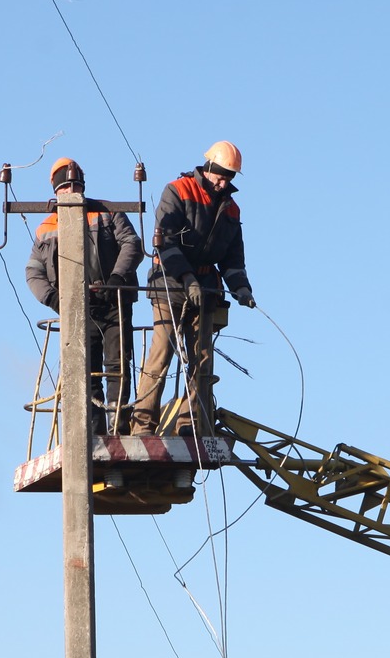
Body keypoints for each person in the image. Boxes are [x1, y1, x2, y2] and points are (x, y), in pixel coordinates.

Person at [130, 141, 254, 436]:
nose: (224, 182)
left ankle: (189, 424)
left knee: (202, 360)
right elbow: (166, 240)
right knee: (162, 352)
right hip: (169, 285)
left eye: (230, 177)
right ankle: (142, 424)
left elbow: (233, 259)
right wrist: (186, 278)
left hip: (207, 290)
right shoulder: (178, 191)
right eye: (221, 174)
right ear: (208, 167)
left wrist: (242, 288)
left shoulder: (231, 210)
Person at [23, 158, 143, 431]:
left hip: (114, 302)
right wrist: (54, 299)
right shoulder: (45, 229)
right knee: (84, 371)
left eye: (77, 185)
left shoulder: (107, 213)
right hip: (77, 308)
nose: (72, 191)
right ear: (56, 192)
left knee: (118, 365)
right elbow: (33, 271)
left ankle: (118, 426)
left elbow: (132, 244)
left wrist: (116, 279)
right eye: (66, 187)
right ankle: (93, 428)